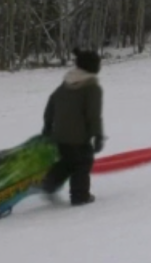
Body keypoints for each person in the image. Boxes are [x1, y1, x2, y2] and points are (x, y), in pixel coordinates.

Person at [41, 49, 105, 206]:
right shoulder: (92, 87)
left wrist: (48, 125)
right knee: (82, 163)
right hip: (78, 137)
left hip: (60, 135)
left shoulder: (67, 82)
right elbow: (93, 115)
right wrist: (97, 135)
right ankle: (80, 196)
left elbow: (52, 102)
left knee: (67, 161)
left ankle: (49, 184)